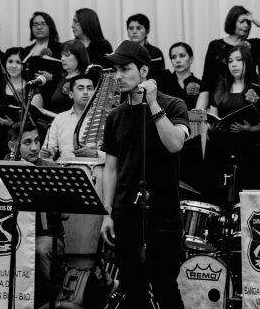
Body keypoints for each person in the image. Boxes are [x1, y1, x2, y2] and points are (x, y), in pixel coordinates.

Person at [100, 41, 190, 309]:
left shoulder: (173, 105)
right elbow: (111, 168)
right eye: (115, 70)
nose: (118, 76)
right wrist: (106, 213)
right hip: (126, 213)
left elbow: (175, 144)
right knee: (133, 289)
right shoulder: (115, 116)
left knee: (165, 287)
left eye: (125, 69)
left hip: (163, 214)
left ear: (143, 71)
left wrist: (152, 105)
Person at [0, 122, 65, 304]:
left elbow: (65, 214)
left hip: (44, 235)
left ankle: (55, 300)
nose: (35, 147)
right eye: (27, 142)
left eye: (37, 140)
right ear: (12, 146)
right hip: (3, 237)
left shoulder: (52, 170)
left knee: (40, 250)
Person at [42, 76, 101, 160]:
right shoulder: (60, 118)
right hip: (66, 169)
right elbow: (48, 149)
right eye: (80, 88)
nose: (85, 92)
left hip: (95, 170)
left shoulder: (105, 118)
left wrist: (96, 153)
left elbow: (118, 153)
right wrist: (47, 154)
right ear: (71, 94)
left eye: (89, 88)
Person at [201, 5, 252, 94]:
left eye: (248, 22)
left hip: (245, 99)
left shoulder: (253, 45)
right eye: (242, 21)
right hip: (219, 99)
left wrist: (258, 22)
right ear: (232, 21)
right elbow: (207, 80)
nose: (246, 25)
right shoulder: (215, 46)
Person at [42, 39, 90, 115]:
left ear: (79, 56)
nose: (62, 59)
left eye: (67, 55)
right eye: (62, 55)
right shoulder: (62, 78)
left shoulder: (84, 80)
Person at [156, 42, 207, 109]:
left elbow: (200, 115)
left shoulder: (201, 85)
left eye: (182, 56)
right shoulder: (162, 82)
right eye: (173, 57)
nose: (177, 60)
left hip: (193, 119)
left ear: (191, 59)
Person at [126, 13, 165, 79]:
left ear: (147, 31)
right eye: (131, 28)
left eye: (139, 28)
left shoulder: (155, 53)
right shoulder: (122, 52)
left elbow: (159, 78)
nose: (134, 31)